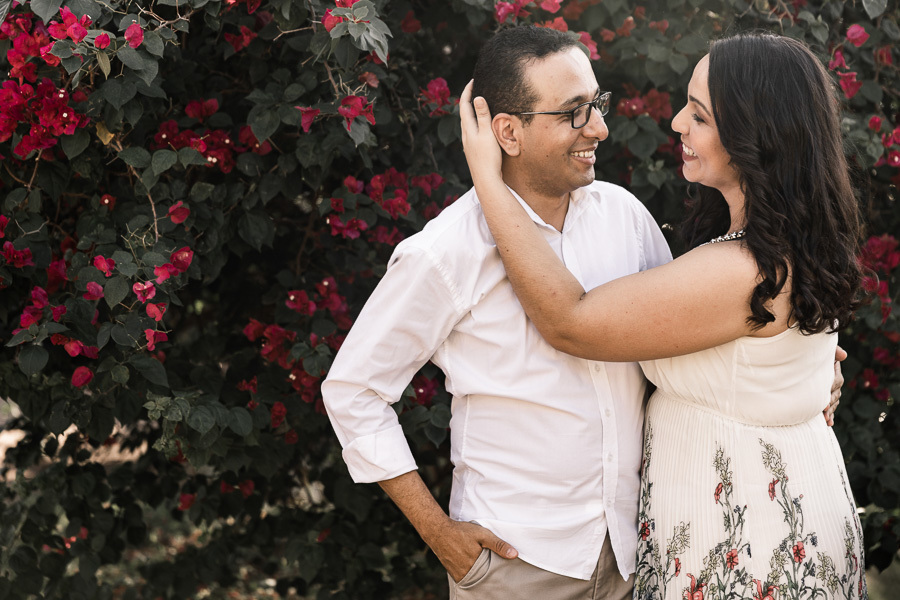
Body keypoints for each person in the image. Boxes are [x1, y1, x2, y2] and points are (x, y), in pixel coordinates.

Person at [324, 26, 842, 600]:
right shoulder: (445, 250)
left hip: (638, 554)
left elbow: (690, 331)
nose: (599, 126)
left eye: (596, 103)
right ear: (507, 132)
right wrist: (437, 531)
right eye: (574, 112)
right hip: (517, 560)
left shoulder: (627, 217)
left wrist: (804, 366)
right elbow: (354, 391)